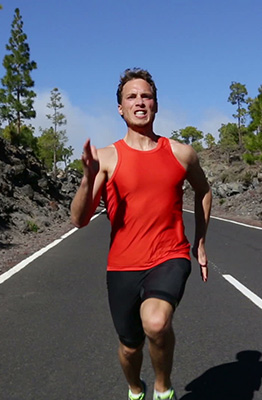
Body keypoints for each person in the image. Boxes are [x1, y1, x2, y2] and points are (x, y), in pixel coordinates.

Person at [70, 68, 212, 400]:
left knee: (157, 323)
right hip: (123, 265)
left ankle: (163, 389)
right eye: (131, 97)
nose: (139, 102)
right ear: (120, 108)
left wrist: (200, 242)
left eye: (146, 96)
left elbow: (204, 191)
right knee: (130, 346)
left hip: (170, 255)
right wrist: (88, 179)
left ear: (156, 105)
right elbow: (79, 220)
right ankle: (136, 389)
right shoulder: (106, 158)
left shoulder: (181, 153)